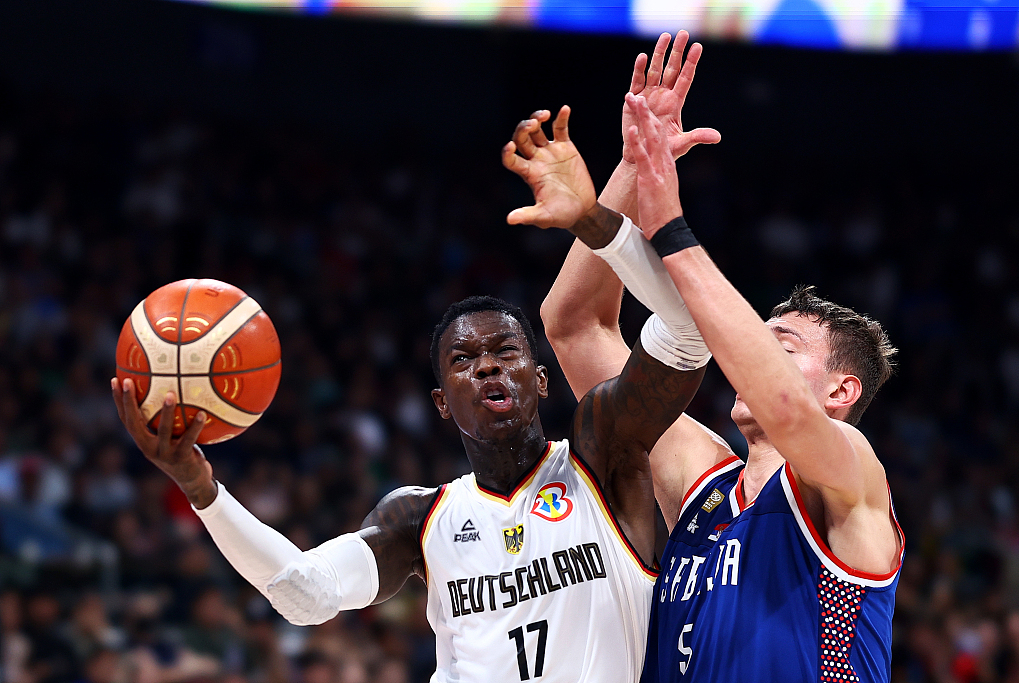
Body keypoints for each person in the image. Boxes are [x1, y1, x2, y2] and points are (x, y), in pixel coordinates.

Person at [528, 35, 904, 682]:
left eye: (777, 347)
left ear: (842, 392)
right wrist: (629, 169)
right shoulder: (703, 481)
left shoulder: (851, 478)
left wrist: (669, 224)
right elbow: (575, 327)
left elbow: (789, 410)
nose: (745, 356)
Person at [110, 293, 709, 677]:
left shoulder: (602, 458)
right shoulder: (419, 520)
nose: (489, 366)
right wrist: (202, 488)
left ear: (542, 379)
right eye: (463, 360)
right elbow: (300, 593)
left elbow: (686, 334)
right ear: (442, 403)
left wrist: (613, 221)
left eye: (506, 351)